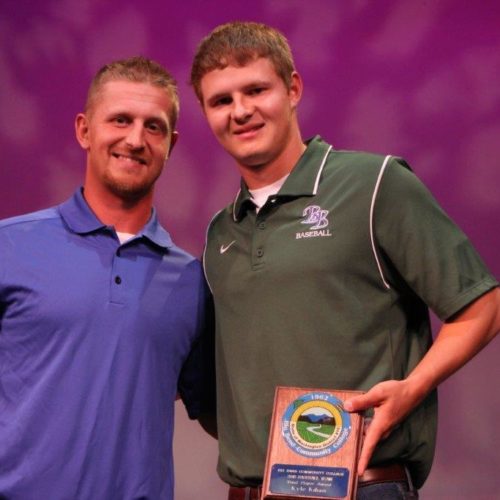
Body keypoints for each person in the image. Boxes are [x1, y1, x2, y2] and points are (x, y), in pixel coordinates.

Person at [189, 21, 500, 499]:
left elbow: (483, 305)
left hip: (362, 486)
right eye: (221, 100)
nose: (241, 111)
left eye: (256, 90)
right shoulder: (219, 232)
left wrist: (411, 389)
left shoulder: (376, 185)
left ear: (292, 89)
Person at [0, 56, 212, 499]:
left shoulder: (192, 281)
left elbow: (221, 415)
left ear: (171, 144)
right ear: (84, 130)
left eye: (153, 127)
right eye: (120, 120)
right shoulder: (9, 247)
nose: (135, 139)